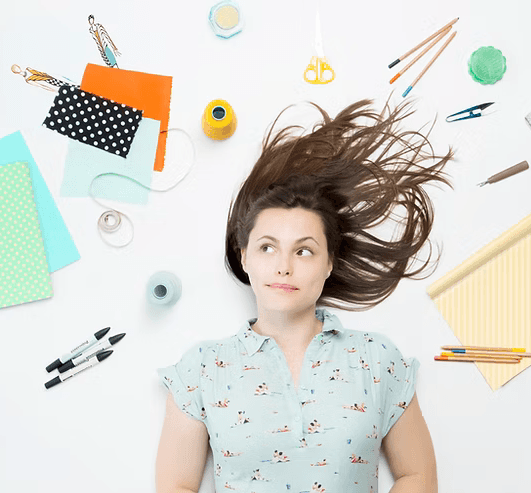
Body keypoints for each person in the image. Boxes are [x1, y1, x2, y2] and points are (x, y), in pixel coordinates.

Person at [156, 98, 452, 493]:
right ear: (244, 257)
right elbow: (176, 485)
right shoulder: (201, 370)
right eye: (267, 247)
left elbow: (418, 475)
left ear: (329, 263)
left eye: (304, 250)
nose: (284, 266)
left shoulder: (378, 361)